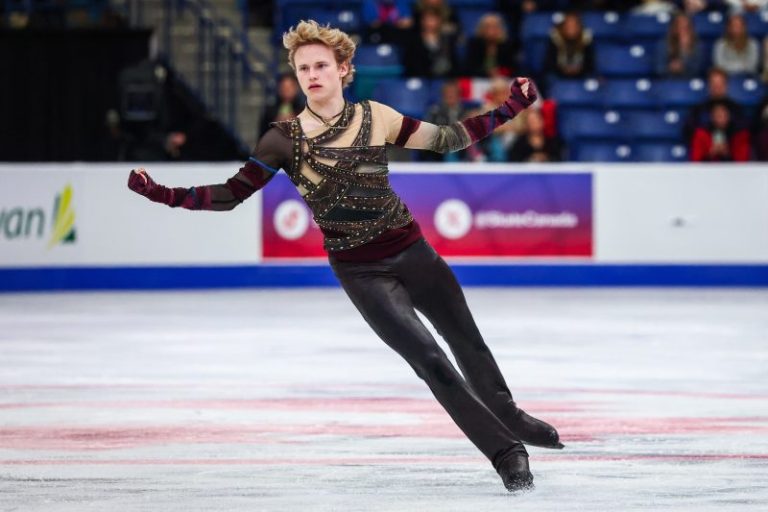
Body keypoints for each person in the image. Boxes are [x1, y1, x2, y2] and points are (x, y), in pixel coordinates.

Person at [127, 19, 562, 492]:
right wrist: (163, 194)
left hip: (413, 251)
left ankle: (509, 415)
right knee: (432, 361)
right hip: (361, 272)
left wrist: (511, 107)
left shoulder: (376, 116)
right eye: (303, 68)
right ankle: (507, 453)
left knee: (468, 342)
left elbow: (446, 139)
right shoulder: (282, 138)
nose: (312, 75)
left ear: (343, 69)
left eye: (320, 66)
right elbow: (231, 194)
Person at [683, 67, 746, 142]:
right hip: (706, 145)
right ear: (709, 85)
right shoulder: (699, 108)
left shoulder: (735, 108)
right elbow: (688, 130)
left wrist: (727, 125)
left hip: (730, 145)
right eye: (714, 84)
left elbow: (743, 128)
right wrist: (711, 126)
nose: (717, 87)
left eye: (720, 84)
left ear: (726, 85)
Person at [402, 6, 459, 78]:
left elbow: (454, 66)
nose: (429, 23)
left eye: (433, 19)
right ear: (422, 21)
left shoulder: (447, 41)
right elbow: (411, 66)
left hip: (444, 79)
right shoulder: (414, 42)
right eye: (427, 19)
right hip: (421, 79)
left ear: (439, 21)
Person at [542, 11, 595, 83]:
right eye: (568, 25)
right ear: (562, 27)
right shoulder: (555, 40)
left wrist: (578, 70)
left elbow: (590, 66)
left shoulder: (586, 40)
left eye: (574, 25)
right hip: (559, 77)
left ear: (579, 27)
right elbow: (549, 65)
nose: (571, 28)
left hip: (581, 78)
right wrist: (563, 70)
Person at [463, 13, 518, 77]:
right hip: (479, 78)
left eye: (495, 27)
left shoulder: (507, 44)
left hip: (502, 79)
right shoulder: (474, 44)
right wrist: (487, 73)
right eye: (487, 27)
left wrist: (500, 72)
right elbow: (469, 68)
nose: (491, 31)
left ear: (500, 29)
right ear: (481, 29)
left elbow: (513, 68)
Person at [655, 13, 704, 78]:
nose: (682, 29)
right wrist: (670, 67)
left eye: (686, 27)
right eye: (679, 26)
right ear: (674, 28)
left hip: (688, 79)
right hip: (668, 79)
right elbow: (659, 69)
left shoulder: (697, 44)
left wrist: (685, 49)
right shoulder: (664, 43)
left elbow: (697, 69)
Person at [259, 73, 303, 137]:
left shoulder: (303, 109)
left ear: (296, 88)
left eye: (289, 87)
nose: (286, 90)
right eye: (283, 87)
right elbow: (262, 133)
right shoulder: (270, 109)